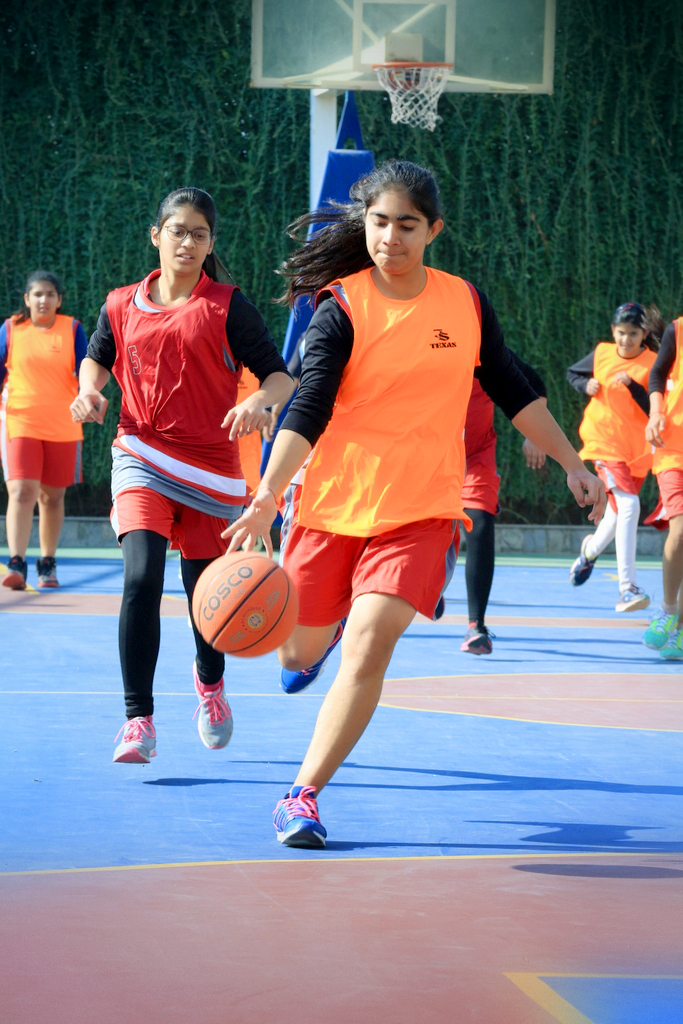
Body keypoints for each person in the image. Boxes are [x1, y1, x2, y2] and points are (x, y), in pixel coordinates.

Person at [223, 160, 605, 849]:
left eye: (405, 224)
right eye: (377, 222)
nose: (390, 237)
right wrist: (265, 497)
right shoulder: (340, 305)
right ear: (361, 224)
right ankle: (321, 632)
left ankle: (301, 794)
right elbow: (308, 403)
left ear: (433, 230)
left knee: (369, 646)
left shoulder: (462, 302)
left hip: (421, 511)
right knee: (293, 656)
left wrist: (574, 463)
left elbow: (514, 388)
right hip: (329, 507)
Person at [70, 187, 293, 763]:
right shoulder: (120, 303)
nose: (187, 242)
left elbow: (279, 376)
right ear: (156, 235)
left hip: (212, 473)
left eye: (199, 234)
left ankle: (210, 686)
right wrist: (88, 390)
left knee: (208, 597)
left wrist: (259, 404)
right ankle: (137, 720)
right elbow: (96, 355)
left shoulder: (227, 305)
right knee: (141, 579)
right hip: (140, 455)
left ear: (210, 242)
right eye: (178, 231)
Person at [443, 357, 548, 654]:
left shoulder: (486, 349)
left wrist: (534, 434)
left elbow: (534, 385)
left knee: (480, 524)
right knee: (431, 533)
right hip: (430, 455)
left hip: (476, 456)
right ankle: (432, 586)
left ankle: (476, 626)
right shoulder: (422, 344)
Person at [566, 303, 662, 612]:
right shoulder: (602, 354)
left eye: (633, 334)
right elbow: (572, 374)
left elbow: (655, 409)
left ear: (644, 334)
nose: (626, 340)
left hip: (636, 451)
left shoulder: (653, 363)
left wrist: (634, 387)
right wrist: (586, 385)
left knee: (617, 514)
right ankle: (627, 588)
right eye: (621, 333)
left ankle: (589, 552)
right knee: (630, 505)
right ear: (613, 332)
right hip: (603, 443)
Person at [1, 270, 87, 590]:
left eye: (50, 294)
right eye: (37, 294)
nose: (44, 300)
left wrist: (91, 397)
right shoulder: (11, 329)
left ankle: (47, 563)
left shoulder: (73, 329)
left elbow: (88, 370)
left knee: (52, 497)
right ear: (27, 299)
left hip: (63, 425)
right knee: (22, 491)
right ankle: (17, 562)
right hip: (19, 421)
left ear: (59, 300)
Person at [642, 309, 683, 657]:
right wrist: (656, 413)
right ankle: (668, 610)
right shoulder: (678, 330)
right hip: (674, 450)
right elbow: (657, 373)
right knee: (681, 530)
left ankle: (681, 628)